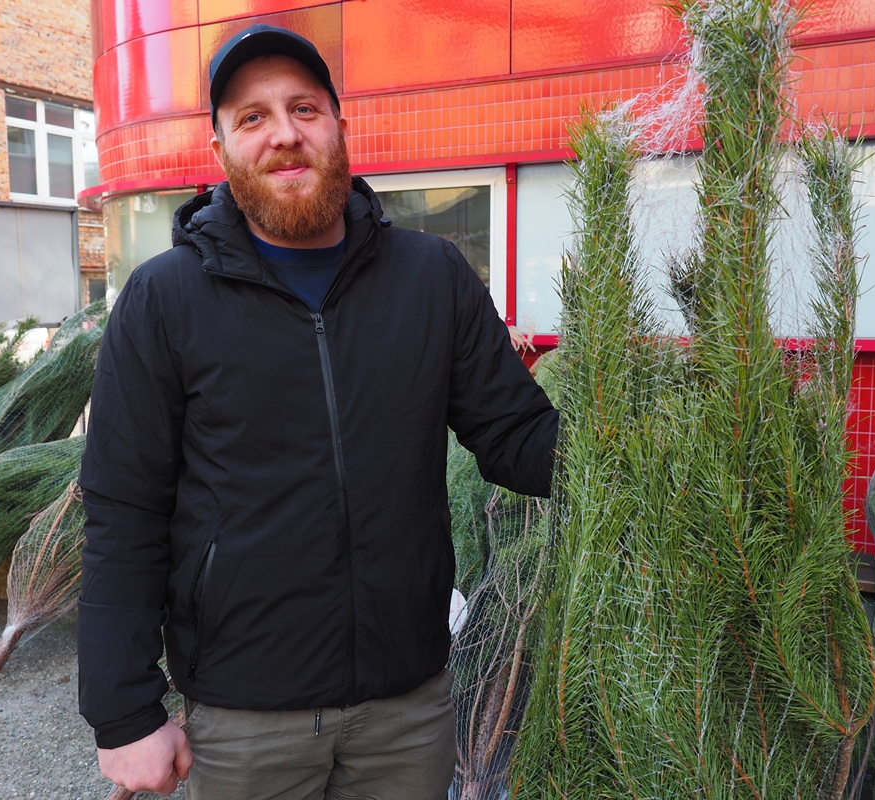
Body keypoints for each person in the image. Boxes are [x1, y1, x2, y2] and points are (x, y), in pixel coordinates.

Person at [77, 24, 558, 800]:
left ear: (340, 127)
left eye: (303, 108)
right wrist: (123, 712)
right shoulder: (164, 300)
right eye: (253, 117)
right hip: (245, 718)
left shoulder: (431, 278)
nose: (284, 133)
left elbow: (515, 435)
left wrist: (634, 446)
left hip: (408, 708)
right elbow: (123, 508)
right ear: (221, 149)